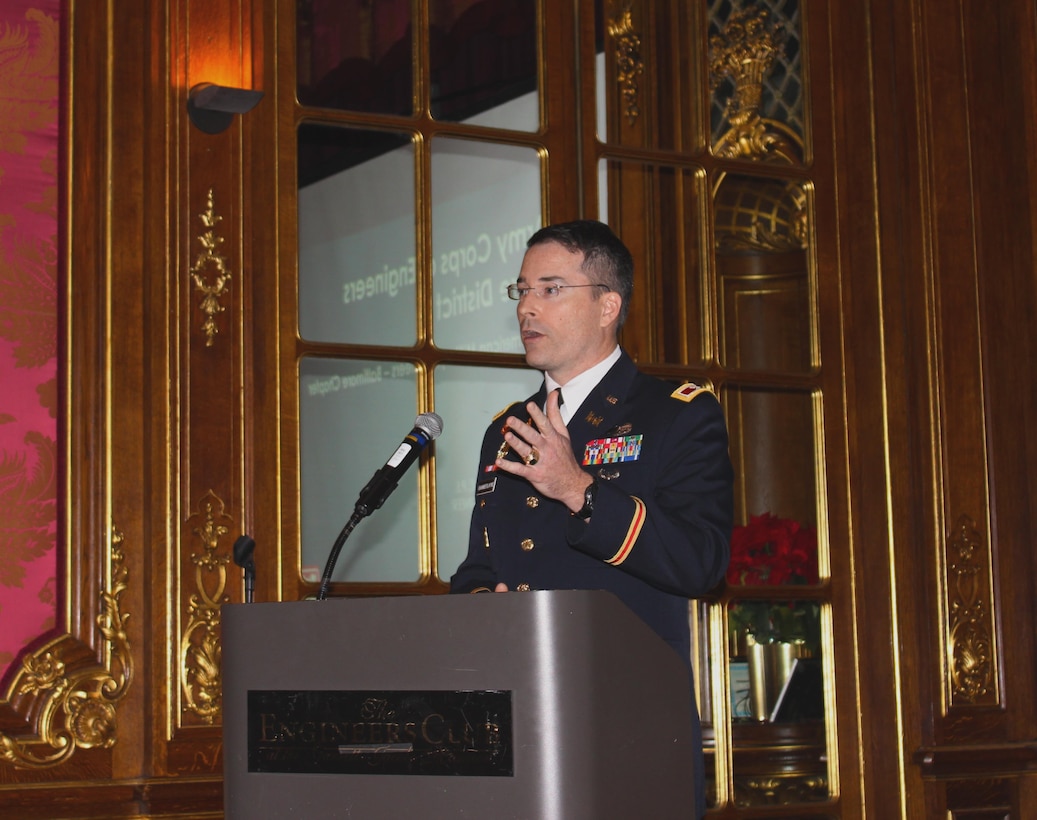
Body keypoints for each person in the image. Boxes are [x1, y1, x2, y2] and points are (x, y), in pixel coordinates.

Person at [450, 219, 733, 816]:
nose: (528, 307)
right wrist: (482, 599)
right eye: (521, 290)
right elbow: (479, 564)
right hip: (514, 717)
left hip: (624, 719)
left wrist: (580, 489)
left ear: (609, 305)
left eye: (550, 289)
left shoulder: (674, 414)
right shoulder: (507, 427)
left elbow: (700, 563)